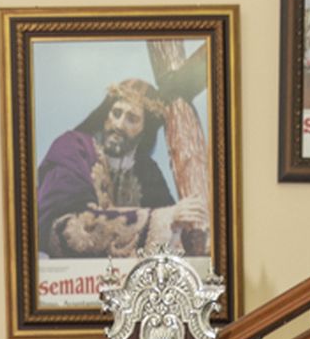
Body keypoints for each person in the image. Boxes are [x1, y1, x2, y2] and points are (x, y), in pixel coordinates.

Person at [34, 76, 207, 261]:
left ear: (144, 130)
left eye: (131, 119)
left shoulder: (147, 171)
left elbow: (173, 224)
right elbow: (66, 228)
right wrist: (163, 219)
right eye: (116, 113)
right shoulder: (72, 148)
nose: (118, 125)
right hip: (73, 278)